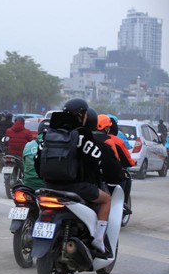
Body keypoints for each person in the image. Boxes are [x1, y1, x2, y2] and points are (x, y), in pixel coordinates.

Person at [35, 99, 121, 253]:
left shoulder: (50, 135)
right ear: (82, 115)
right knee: (107, 199)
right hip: (77, 188)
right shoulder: (84, 138)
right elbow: (99, 164)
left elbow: (37, 162)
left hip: (49, 186)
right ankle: (99, 240)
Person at [21, 120, 48, 191]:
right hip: (47, 186)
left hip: (29, 184)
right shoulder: (57, 146)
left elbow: (24, 164)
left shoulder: (28, 145)